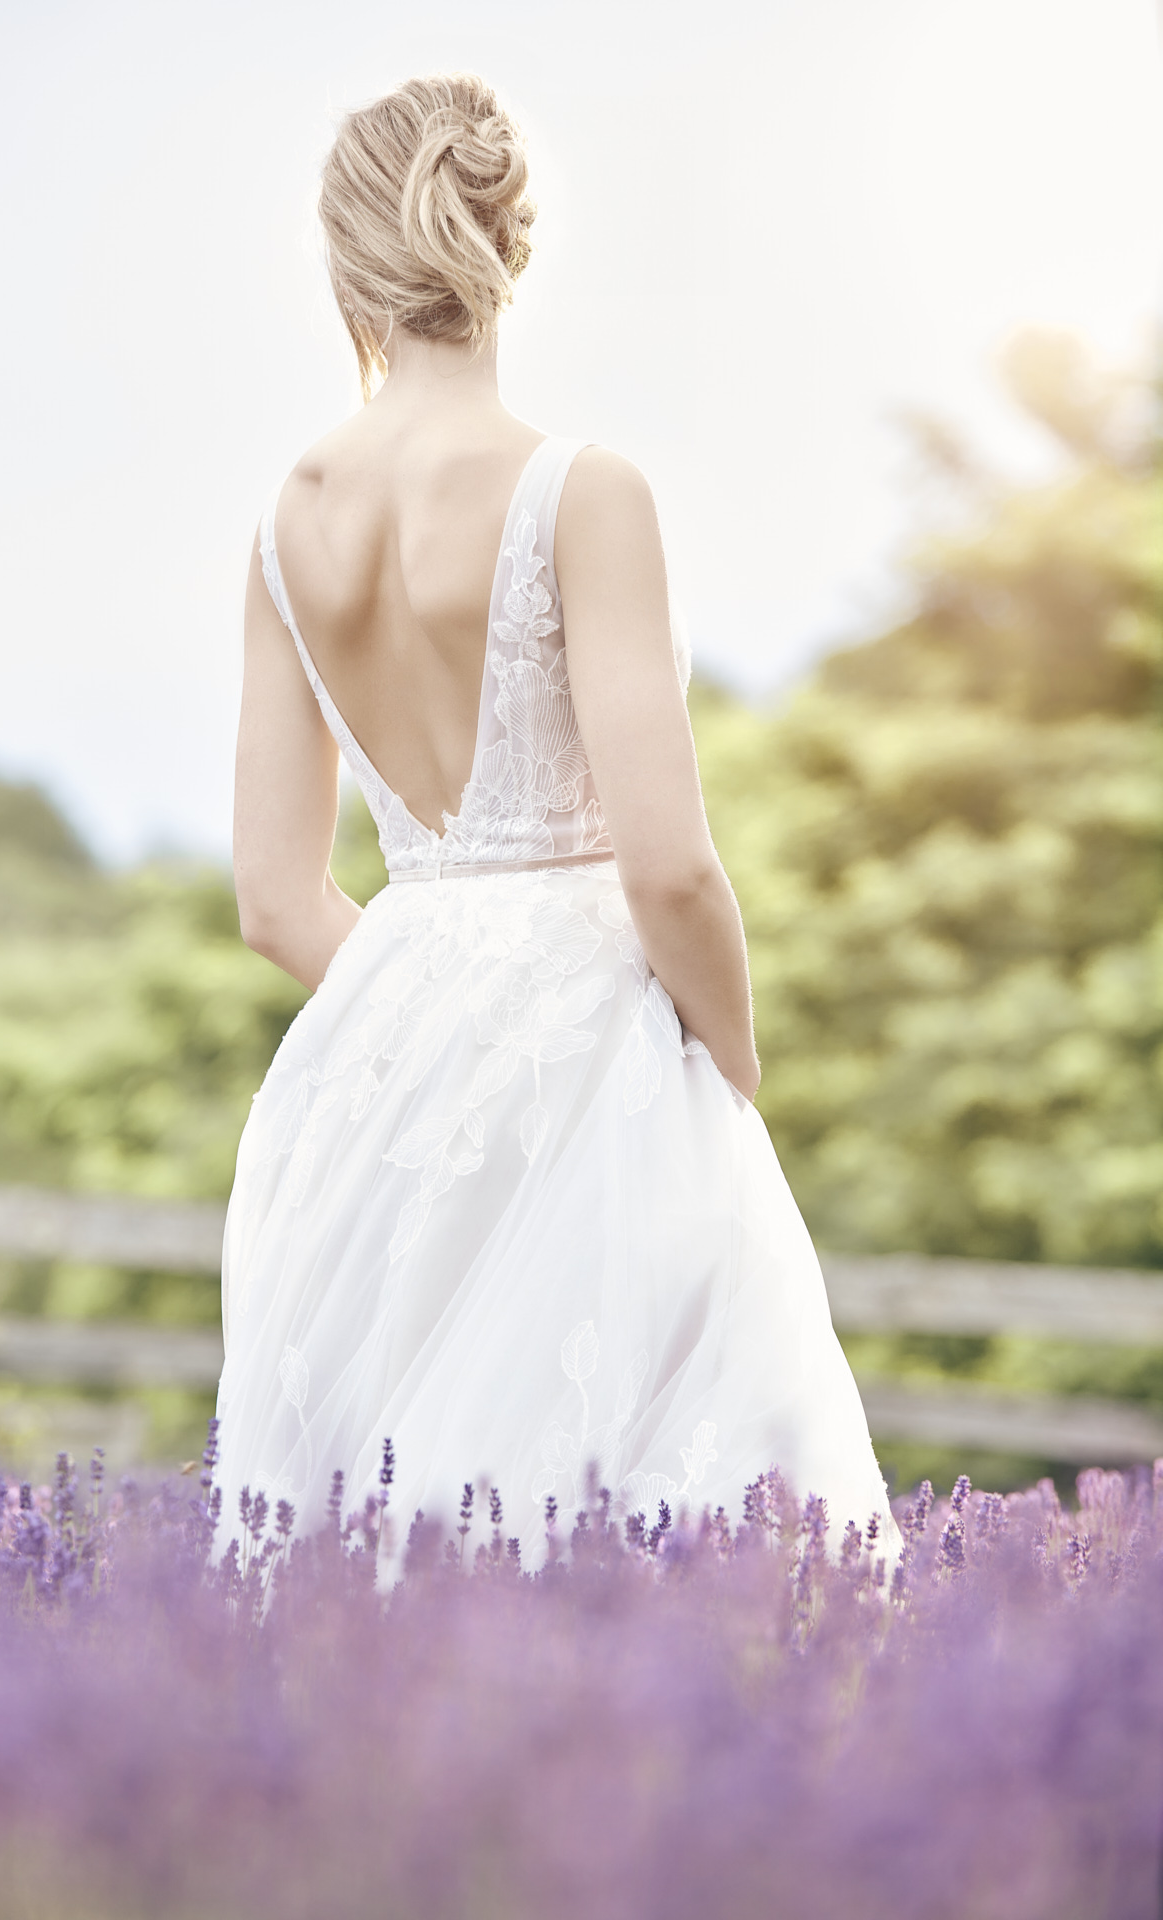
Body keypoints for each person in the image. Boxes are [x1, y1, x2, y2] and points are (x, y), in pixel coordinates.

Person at [214, 71, 895, 1570]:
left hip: (373, 1082)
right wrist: (726, 1062)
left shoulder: (285, 521)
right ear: (511, 241)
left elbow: (274, 899)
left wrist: (439, 1024)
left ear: (345, 266)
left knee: (375, 1552)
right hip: (603, 1065)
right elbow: (669, 867)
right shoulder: (584, 489)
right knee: (691, 1536)